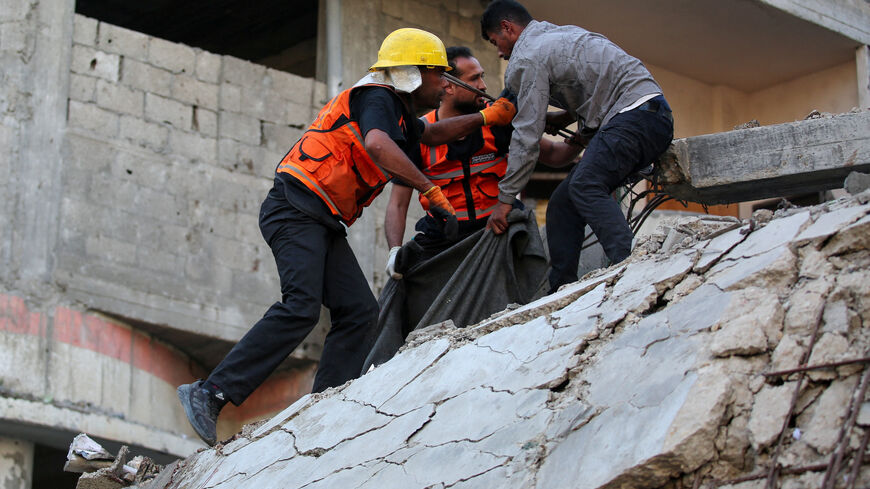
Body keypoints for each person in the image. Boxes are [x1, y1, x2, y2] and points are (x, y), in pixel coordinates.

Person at [177, 28, 517, 447]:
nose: (446, 86)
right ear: (412, 74)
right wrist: (430, 190)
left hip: (319, 217)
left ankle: (323, 405)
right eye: (439, 75)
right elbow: (376, 145)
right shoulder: (377, 97)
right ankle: (210, 392)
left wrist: (487, 118)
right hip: (294, 209)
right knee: (301, 307)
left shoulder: (398, 111)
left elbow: (428, 135)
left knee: (359, 311)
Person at [480, 0, 675, 293]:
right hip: (649, 116)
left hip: (634, 115)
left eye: (496, 42)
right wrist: (572, 121)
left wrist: (505, 200)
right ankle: (562, 290)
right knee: (562, 203)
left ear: (508, 28)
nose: (499, 52)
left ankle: (633, 267)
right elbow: (595, 85)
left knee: (585, 184)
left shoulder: (527, 57)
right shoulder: (561, 36)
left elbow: (526, 137)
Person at [384, 46, 581, 278]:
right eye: (474, 78)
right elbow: (397, 204)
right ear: (447, 85)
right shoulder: (418, 134)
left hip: (499, 229)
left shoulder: (500, 118)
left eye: (482, 77)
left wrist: (585, 132)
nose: (483, 86)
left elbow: (556, 156)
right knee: (399, 296)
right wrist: (394, 252)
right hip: (445, 240)